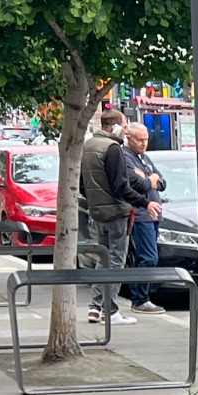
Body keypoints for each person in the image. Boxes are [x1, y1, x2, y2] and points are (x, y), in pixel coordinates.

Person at [79, 108, 150, 325]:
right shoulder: (113, 148)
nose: (125, 132)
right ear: (116, 126)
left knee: (103, 258)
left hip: (98, 212)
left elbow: (83, 184)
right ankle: (111, 310)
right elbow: (121, 186)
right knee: (116, 260)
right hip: (117, 213)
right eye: (125, 126)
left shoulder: (88, 146)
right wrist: (145, 203)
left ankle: (95, 307)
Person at [121, 123, 167, 312]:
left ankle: (141, 297)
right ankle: (140, 298)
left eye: (146, 139)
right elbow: (136, 183)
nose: (144, 143)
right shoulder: (125, 157)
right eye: (140, 140)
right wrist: (150, 180)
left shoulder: (144, 158)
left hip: (154, 215)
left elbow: (162, 182)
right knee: (147, 257)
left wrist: (149, 179)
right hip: (141, 214)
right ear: (129, 138)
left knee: (148, 257)